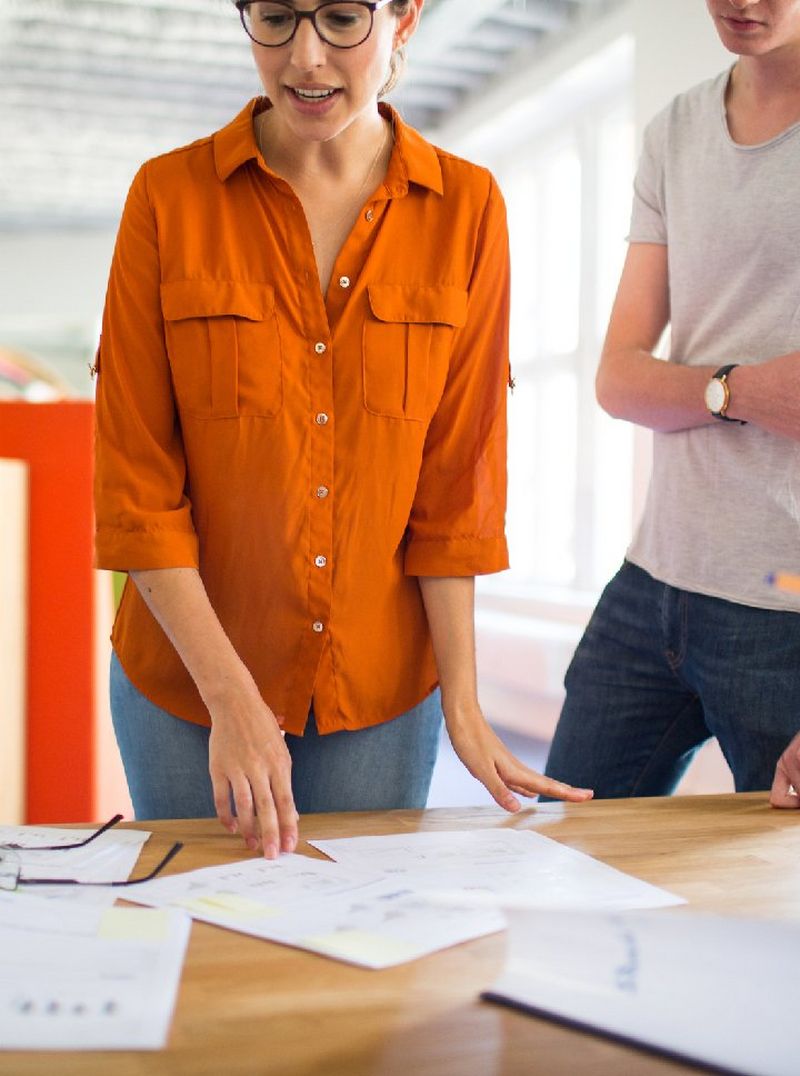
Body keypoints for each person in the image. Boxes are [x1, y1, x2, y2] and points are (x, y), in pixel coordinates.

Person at [94, 0, 593, 858]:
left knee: (360, 966)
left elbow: (459, 486)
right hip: (188, 690)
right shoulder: (166, 199)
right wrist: (234, 701)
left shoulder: (467, 208)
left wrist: (465, 707)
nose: (306, 58)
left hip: (380, 695)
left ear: (404, 20)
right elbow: (136, 486)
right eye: (278, 20)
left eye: (340, 20)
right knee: (208, 964)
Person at [544, 0, 800, 806]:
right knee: (560, 858)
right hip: (652, 584)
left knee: (778, 916)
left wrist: (694, 389)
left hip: (785, 606)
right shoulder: (675, 131)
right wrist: (740, 389)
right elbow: (619, 379)